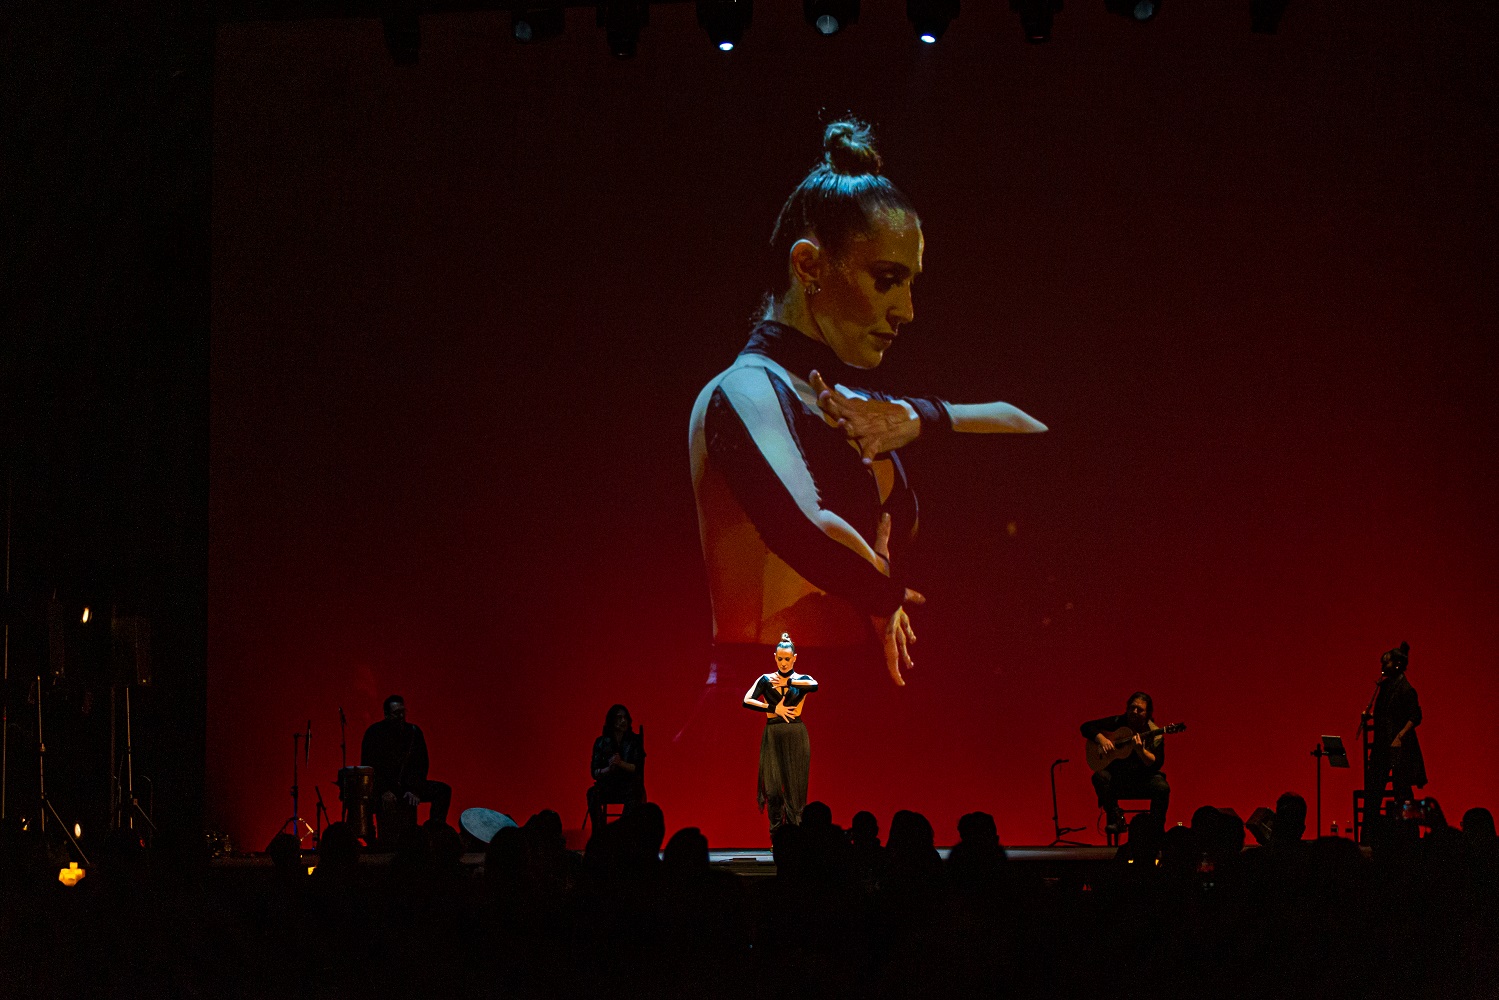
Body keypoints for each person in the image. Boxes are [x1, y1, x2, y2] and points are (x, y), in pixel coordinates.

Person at [688, 117, 1046, 693]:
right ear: (808, 267)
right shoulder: (744, 391)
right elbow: (803, 529)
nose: (907, 311)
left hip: (869, 698)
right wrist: (882, 589)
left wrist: (930, 416)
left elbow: (1035, 431)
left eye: (912, 283)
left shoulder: (865, 404)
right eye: (886, 280)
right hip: (767, 705)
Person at [743, 633, 818, 832]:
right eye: (780, 658)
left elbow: (814, 685)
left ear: (794, 658)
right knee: (773, 789)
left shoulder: (802, 679)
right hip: (773, 735)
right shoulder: (766, 679)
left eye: (787, 659)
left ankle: (797, 835)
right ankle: (776, 835)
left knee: (795, 790)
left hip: (795, 735)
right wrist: (773, 709)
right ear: (774, 657)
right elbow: (747, 700)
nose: (783, 663)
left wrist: (789, 683)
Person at [360, 695, 451, 838]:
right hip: (383, 788)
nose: (401, 716)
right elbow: (370, 767)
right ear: (386, 715)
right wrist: (383, 790)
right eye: (397, 713)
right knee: (363, 800)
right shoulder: (374, 734)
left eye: (403, 712)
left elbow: (422, 764)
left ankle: (435, 834)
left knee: (443, 791)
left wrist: (414, 789)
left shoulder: (414, 732)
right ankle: (372, 841)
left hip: (408, 786)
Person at [1080, 692, 1170, 834]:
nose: (1134, 712)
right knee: (1099, 777)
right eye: (1132, 708)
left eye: (1139, 709)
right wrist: (1102, 739)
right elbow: (1086, 727)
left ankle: (1156, 829)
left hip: (1142, 778)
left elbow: (1157, 763)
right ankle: (1116, 818)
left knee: (1162, 787)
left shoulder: (1154, 732)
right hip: (1118, 777)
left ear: (1147, 713)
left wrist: (1141, 751)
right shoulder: (1118, 722)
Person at [1363, 641, 1426, 832]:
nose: (1383, 667)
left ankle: (1411, 833)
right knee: (1374, 789)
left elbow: (1415, 716)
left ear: (1397, 665)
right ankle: (1369, 833)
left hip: (1400, 748)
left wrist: (1400, 735)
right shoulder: (1385, 687)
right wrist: (1370, 716)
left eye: (1386, 663)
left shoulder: (1406, 689)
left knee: (1403, 791)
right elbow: (1386, 714)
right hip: (1383, 745)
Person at [587, 704, 645, 833]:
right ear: (612, 721)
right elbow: (594, 772)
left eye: (625, 718)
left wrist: (620, 764)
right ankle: (600, 833)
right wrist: (608, 769)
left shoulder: (634, 741)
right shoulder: (601, 742)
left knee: (635, 793)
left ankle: (621, 832)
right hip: (608, 786)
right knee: (592, 794)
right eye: (619, 718)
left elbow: (638, 768)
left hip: (628, 786)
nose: (623, 721)